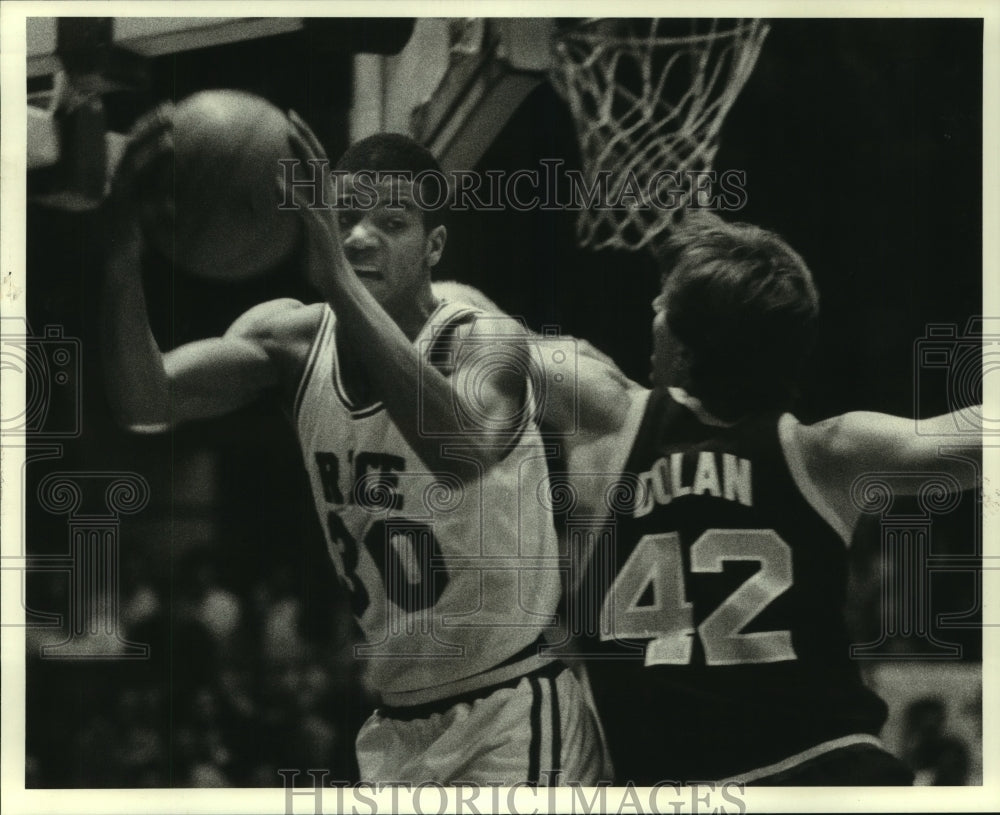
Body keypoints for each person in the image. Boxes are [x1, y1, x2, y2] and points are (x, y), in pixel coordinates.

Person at [102, 106, 609, 785]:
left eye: (392, 223)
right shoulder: (287, 341)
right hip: (395, 720)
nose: (362, 237)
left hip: (512, 706)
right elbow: (146, 398)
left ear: (434, 246)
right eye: (345, 220)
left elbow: (456, 452)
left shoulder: (488, 339)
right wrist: (118, 257)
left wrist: (337, 280)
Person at [528, 211, 981, 785]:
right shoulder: (826, 452)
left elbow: (468, 327)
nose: (652, 311)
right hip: (831, 772)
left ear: (689, 349)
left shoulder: (609, 422)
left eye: (664, 303)